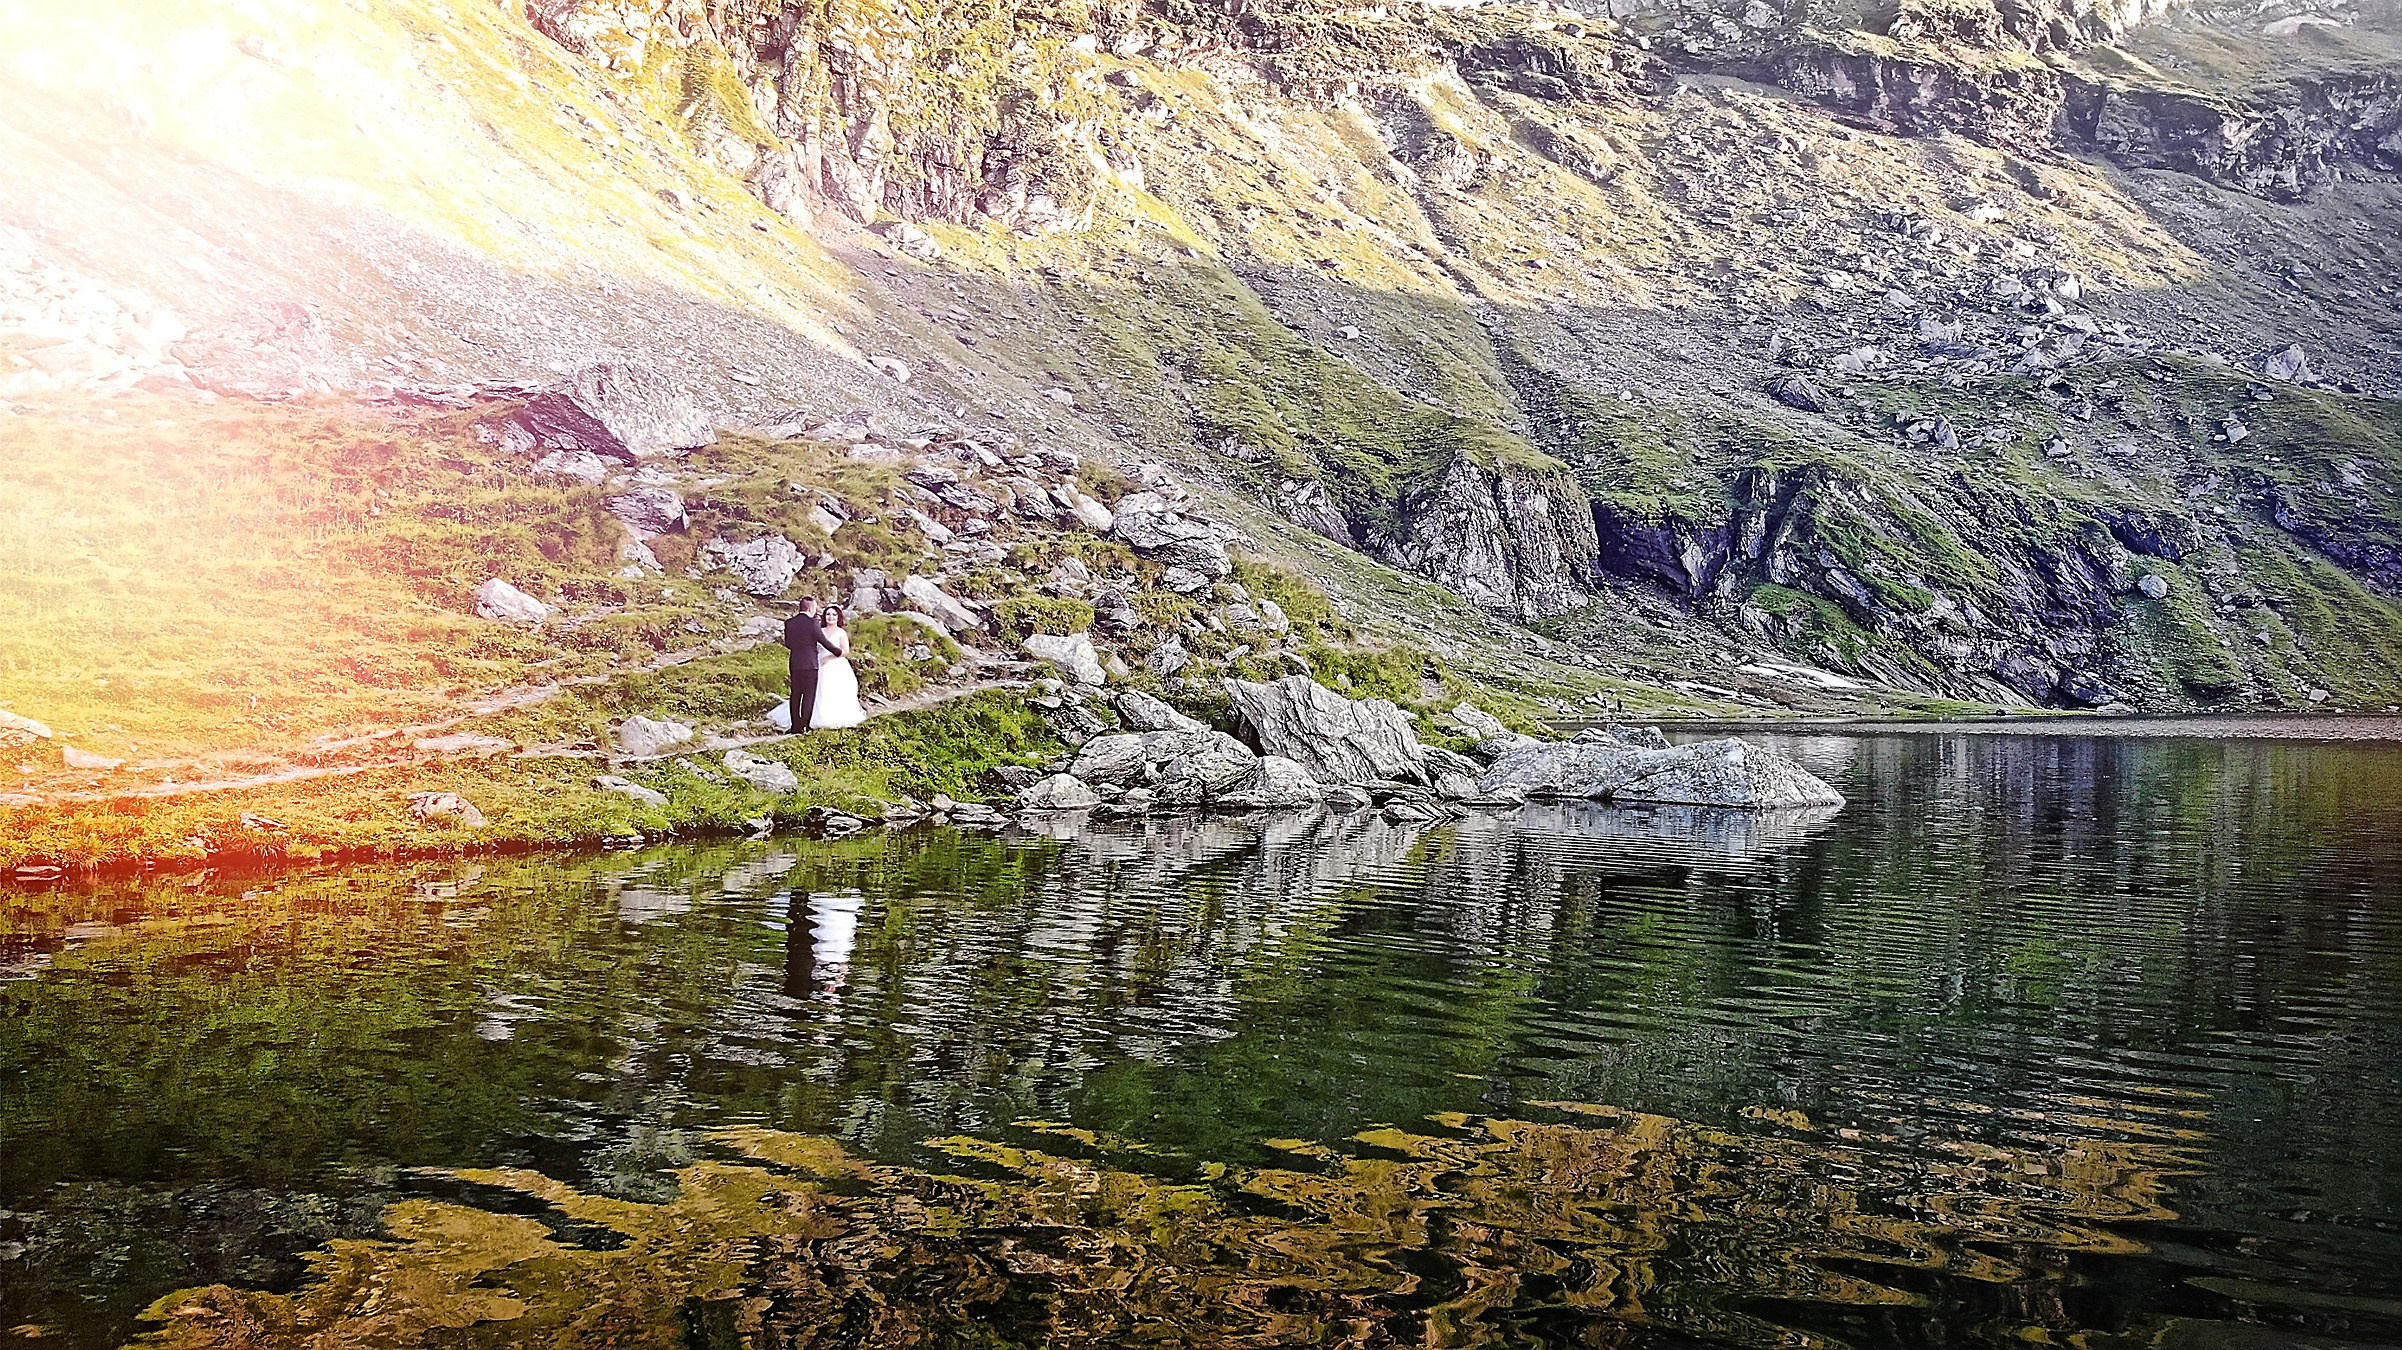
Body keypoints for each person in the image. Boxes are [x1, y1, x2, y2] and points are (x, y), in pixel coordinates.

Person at [782, 596, 842, 733]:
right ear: (810, 608)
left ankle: (795, 726)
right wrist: (837, 651)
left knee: (795, 694)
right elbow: (822, 640)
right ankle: (804, 725)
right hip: (810, 664)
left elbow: (788, 644)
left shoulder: (789, 622)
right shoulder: (813, 623)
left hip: (795, 662)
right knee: (809, 695)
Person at [809, 606, 867, 729]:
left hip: (837, 664)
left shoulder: (841, 633)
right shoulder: (820, 630)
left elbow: (845, 651)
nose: (831, 617)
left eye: (834, 615)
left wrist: (829, 658)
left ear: (838, 617)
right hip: (819, 662)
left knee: (836, 689)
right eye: (828, 614)